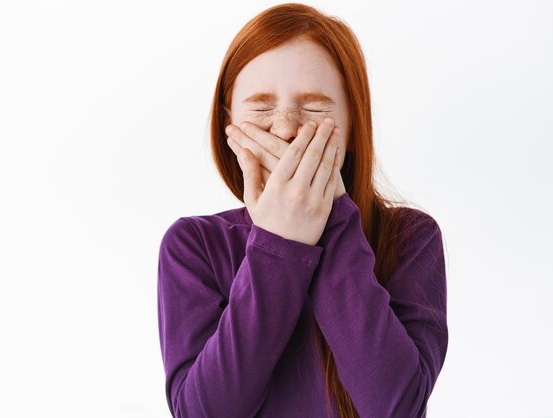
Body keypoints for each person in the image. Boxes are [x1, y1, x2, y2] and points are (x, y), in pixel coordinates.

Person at [157, 3, 448, 417]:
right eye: (260, 107)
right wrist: (278, 245)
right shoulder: (193, 245)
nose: (286, 127)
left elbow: (395, 408)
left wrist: (331, 223)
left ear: (352, 125)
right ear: (228, 125)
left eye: (313, 108)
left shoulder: (410, 238)